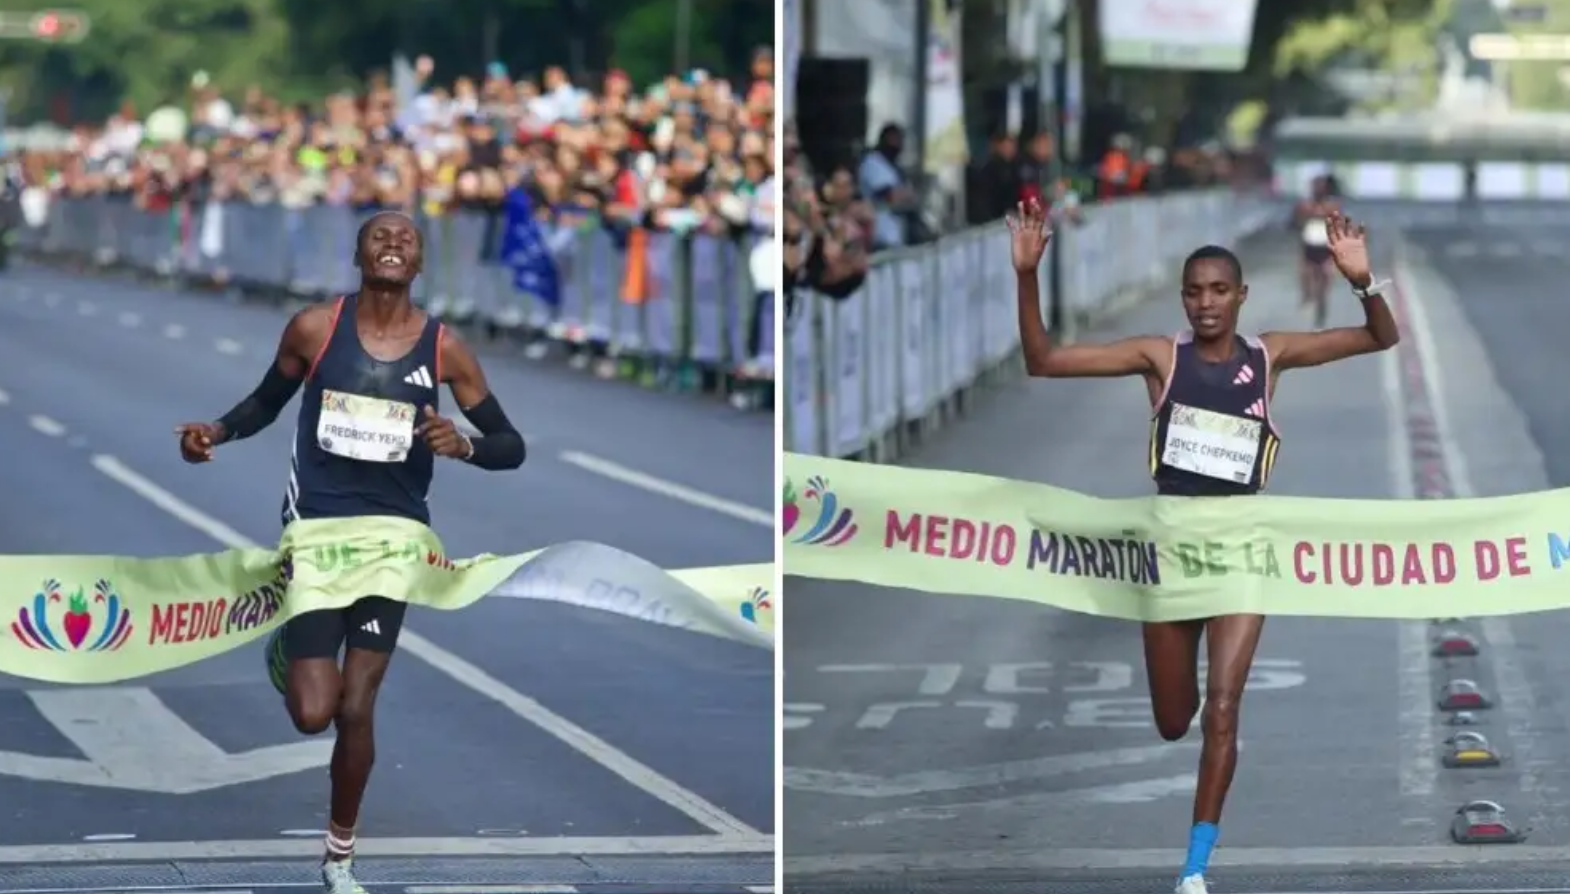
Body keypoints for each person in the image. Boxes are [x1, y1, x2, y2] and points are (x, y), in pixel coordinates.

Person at [1007, 198, 1398, 894]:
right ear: (1183, 299)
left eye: (1219, 291)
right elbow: (1042, 362)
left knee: (1223, 710)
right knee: (1172, 719)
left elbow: (1379, 340)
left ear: (1241, 297)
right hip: (1171, 554)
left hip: (1243, 549)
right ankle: (1191, 825)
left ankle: (1194, 869)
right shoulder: (1160, 357)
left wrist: (1362, 280)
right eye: (1194, 292)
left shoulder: (1269, 355)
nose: (1205, 304)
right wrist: (1028, 275)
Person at [175, 210, 526, 894]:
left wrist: (467, 446)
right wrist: (214, 430)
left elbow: (511, 445)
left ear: (420, 264)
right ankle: (287, 649)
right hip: (317, 531)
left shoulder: (445, 349)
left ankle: (340, 858)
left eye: (407, 240)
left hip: (395, 540)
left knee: (357, 707)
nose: (393, 245)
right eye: (379, 236)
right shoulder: (315, 329)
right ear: (357, 253)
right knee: (313, 712)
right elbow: (266, 401)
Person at [1292, 174, 1342, 328]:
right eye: (1315, 186)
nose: (1317, 190)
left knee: (1325, 279)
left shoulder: (1332, 205)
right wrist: (1303, 221)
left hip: (1326, 249)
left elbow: (1339, 225)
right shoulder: (1304, 205)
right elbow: (1294, 223)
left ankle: (1321, 310)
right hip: (1309, 247)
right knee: (1306, 274)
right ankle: (1307, 295)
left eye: (1320, 186)